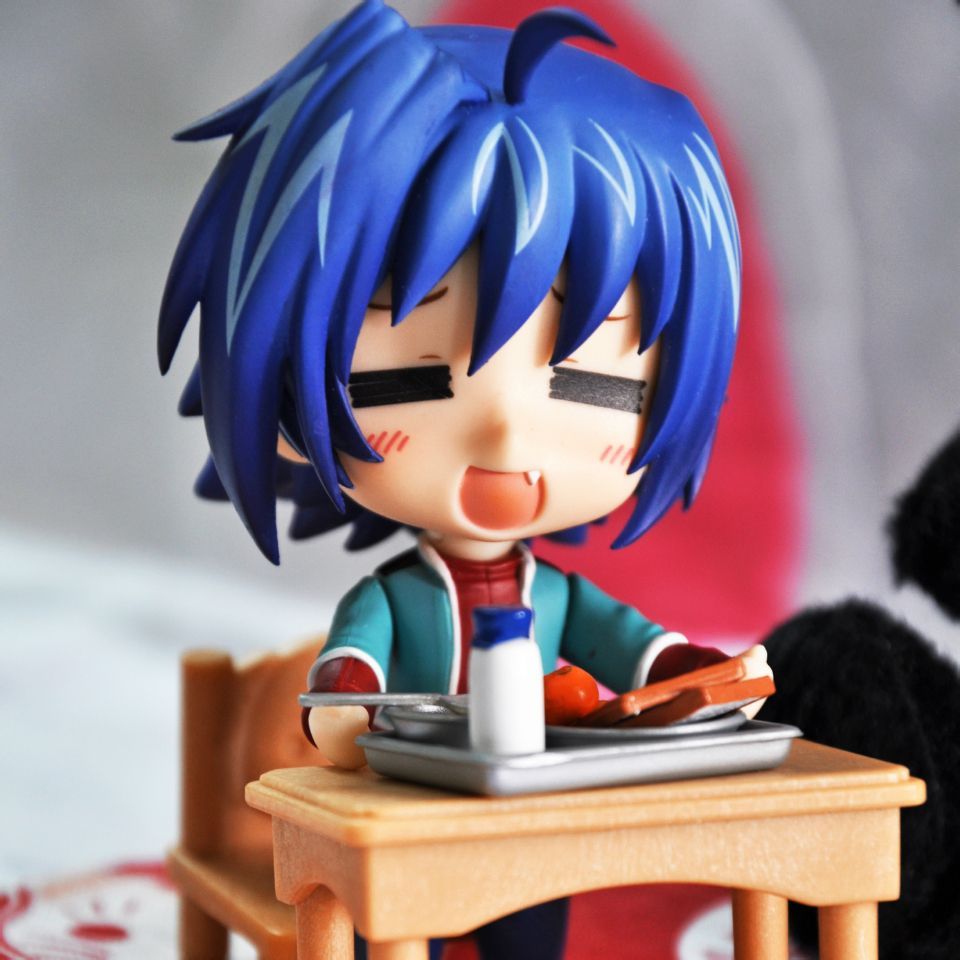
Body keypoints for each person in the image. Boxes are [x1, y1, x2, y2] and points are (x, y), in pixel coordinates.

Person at [159, 3, 768, 956]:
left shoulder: (556, 598)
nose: (505, 430)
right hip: (405, 817)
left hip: (530, 818)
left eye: (593, 382)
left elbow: (627, 645)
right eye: (409, 377)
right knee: (403, 929)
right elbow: (354, 665)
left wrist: (683, 671)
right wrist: (347, 697)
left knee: (532, 927)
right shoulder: (395, 600)